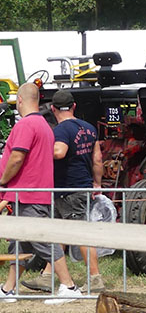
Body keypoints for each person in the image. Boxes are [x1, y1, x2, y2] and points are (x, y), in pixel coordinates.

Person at [0, 83, 82, 303]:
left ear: (19, 100)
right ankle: (8, 289)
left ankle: (69, 286)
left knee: (43, 242)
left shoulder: (27, 125)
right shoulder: (45, 125)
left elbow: (17, 157)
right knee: (19, 244)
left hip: (29, 195)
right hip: (30, 194)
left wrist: (2, 181)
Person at [21, 90, 106, 292]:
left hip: (68, 190)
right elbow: (97, 159)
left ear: (53, 108)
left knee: (79, 233)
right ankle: (48, 276)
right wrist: (97, 183)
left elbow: (59, 152)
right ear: (74, 106)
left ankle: (95, 278)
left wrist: (38, 152)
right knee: (59, 233)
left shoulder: (60, 130)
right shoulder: (89, 128)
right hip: (80, 187)